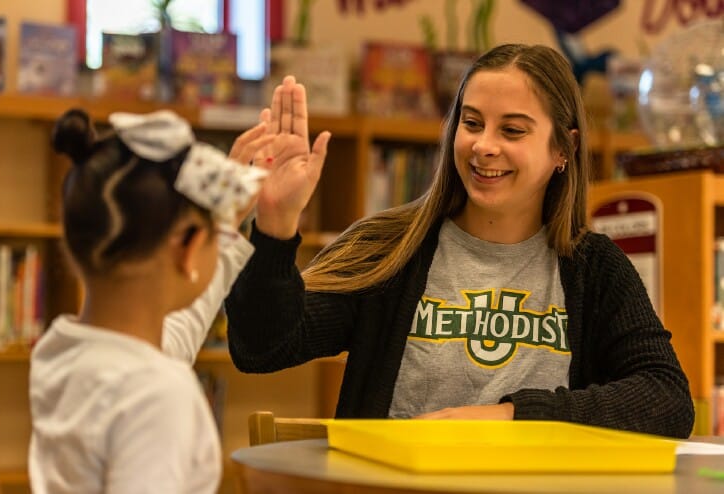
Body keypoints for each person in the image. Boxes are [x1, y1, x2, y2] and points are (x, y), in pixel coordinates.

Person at [226, 46, 694, 438]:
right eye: (471, 123)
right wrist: (276, 224)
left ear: (562, 150)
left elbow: (668, 399)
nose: (483, 146)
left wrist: (511, 415)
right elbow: (262, 347)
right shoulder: (389, 247)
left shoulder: (594, 267)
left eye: (512, 130)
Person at [27, 100, 315, 493]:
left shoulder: (63, 351)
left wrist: (223, 224)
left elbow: (176, 329)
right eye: (212, 233)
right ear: (188, 248)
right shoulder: (157, 394)